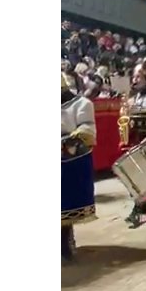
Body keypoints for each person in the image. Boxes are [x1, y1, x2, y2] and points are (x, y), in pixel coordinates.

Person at [61, 73, 97, 262]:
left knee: (64, 205)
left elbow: (87, 130)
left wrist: (66, 142)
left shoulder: (82, 104)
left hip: (69, 160)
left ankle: (64, 244)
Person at [119, 60, 146, 227]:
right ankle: (141, 204)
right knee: (134, 173)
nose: (135, 79)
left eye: (139, 76)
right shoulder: (134, 97)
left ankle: (139, 207)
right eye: (134, 76)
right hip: (135, 139)